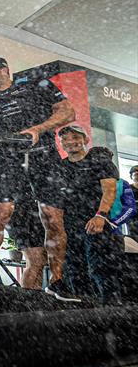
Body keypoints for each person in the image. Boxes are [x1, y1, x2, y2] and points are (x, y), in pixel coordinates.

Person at [0, 56, 77, 301]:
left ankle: (58, 281)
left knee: (53, 217)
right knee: (0, 213)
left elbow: (68, 112)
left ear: (5, 70)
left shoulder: (37, 85)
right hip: (8, 161)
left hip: (44, 156)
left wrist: (37, 129)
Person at [59, 125, 122, 304]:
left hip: (98, 222)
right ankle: (84, 311)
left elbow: (110, 190)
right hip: (70, 226)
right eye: (65, 139)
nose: (70, 141)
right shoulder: (61, 167)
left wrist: (100, 215)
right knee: (74, 269)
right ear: (62, 144)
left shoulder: (100, 161)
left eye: (75, 137)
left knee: (101, 268)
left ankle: (112, 311)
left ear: (85, 140)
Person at [6, 201, 47, 290]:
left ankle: (35, 298)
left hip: (34, 215)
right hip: (22, 216)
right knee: (34, 262)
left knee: (39, 263)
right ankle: (25, 299)